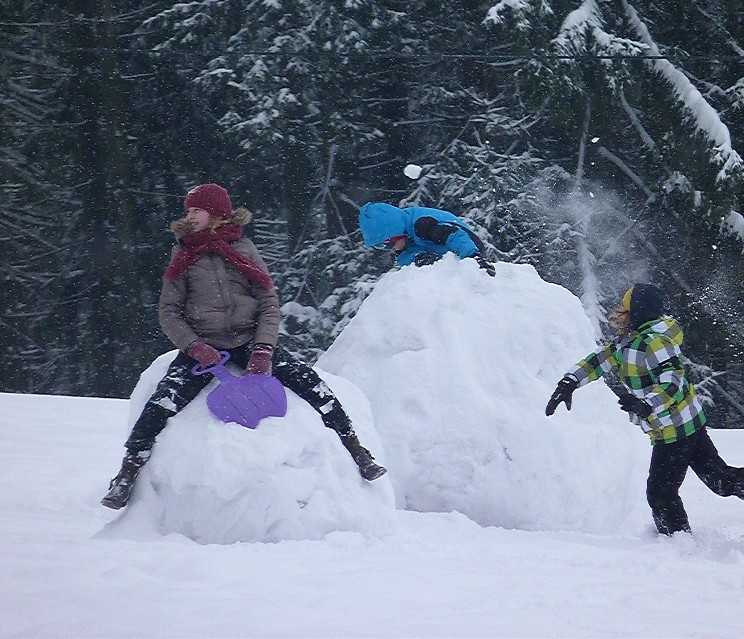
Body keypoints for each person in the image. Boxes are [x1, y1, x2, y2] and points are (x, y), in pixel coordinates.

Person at [102, 183, 386, 510]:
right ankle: (127, 472)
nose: (189, 216)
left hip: (250, 342)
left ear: (216, 213)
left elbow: (268, 302)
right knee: (161, 404)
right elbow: (168, 312)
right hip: (203, 347)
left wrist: (263, 349)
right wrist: (194, 347)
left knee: (315, 388)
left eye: (196, 210)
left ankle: (358, 452)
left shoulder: (245, 249)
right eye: (188, 211)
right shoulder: (182, 255)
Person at [545, 283, 744, 535]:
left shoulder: (655, 342)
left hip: (674, 429)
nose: (619, 311)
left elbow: (672, 380)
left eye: (624, 307)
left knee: (660, 492)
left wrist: (647, 404)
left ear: (639, 312)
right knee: (719, 479)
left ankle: (677, 543)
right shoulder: (628, 343)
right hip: (683, 424)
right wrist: (570, 381)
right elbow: (598, 360)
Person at [358, 202, 496, 276]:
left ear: (394, 233)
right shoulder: (403, 241)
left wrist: (473, 257)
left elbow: (455, 236)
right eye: (380, 247)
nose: (390, 249)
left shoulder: (422, 225)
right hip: (441, 252)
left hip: (468, 244)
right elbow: (405, 257)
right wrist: (419, 258)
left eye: (386, 244)